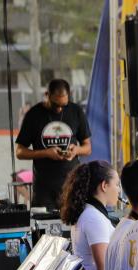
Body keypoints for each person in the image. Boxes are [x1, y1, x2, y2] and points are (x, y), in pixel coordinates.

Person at [16, 79, 93, 210]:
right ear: (47, 95)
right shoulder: (34, 114)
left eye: (64, 104)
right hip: (43, 189)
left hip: (72, 186)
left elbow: (88, 148)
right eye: (56, 104)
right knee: (43, 226)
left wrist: (76, 150)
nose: (59, 108)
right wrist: (45, 153)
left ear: (69, 96)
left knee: (73, 227)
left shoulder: (76, 111)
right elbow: (19, 152)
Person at [59, 161, 120, 270]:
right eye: (116, 184)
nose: (119, 190)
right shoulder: (94, 219)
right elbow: (104, 269)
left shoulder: (88, 213)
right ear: (104, 185)